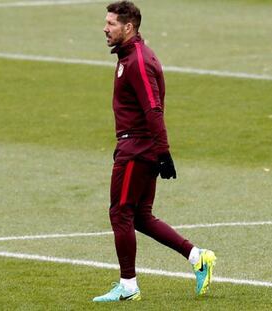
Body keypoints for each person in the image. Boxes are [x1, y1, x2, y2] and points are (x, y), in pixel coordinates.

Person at [92, 1, 216, 302]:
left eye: (111, 23)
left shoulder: (137, 60)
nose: (105, 28)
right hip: (134, 145)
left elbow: (153, 108)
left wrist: (163, 153)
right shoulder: (129, 56)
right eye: (106, 22)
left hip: (138, 149)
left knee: (120, 213)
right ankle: (198, 257)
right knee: (140, 216)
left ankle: (128, 286)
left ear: (129, 27)